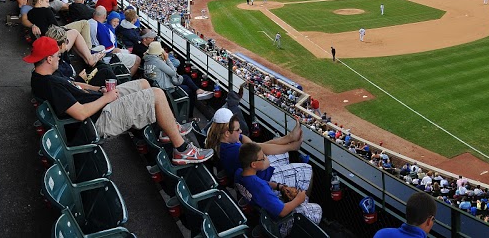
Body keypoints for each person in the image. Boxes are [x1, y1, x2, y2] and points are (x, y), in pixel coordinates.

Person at [26, 37, 212, 164]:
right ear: (49, 59)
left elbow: (75, 85)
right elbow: (80, 113)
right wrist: (106, 97)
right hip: (98, 118)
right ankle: (182, 149)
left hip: (99, 101)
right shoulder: (50, 83)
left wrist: (97, 89)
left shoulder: (43, 75)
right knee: (156, 94)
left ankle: (167, 129)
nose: (60, 58)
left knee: (144, 83)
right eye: (57, 56)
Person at [205, 108, 309, 189]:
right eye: (237, 130)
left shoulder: (218, 135)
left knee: (279, 152)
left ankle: (290, 139)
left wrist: (254, 146)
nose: (240, 131)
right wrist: (257, 149)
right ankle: (300, 200)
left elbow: (247, 139)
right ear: (227, 133)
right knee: (307, 170)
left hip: (254, 173)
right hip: (263, 179)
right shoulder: (235, 150)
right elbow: (265, 163)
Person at [237, 141, 322, 233]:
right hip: (276, 225)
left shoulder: (239, 173)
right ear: (253, 165)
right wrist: (298, 199)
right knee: (317, 209)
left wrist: (279, 187)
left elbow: (263, 183)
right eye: (262, 158)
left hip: (260, 213)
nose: (265, 158)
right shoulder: (260, 187)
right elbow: (282, 212)